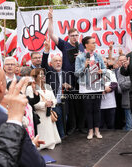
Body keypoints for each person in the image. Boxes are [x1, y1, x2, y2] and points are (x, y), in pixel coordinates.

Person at [48, 7, 87, 135]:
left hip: (80, 77)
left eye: (76, 35)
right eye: (72, 35)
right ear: (68, 36)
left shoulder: (81, 46)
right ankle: (72, 127)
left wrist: (82, 57)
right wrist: (50, 19)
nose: (75, 37)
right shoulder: (64, 44)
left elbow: (88, 59)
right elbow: (51, 35)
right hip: (68, 77)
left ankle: (81, 126)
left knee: (81, 103)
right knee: (70, 103)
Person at [75, 36, 106, 140]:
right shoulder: (80, 57)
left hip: (97, 86)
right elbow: (76, 73)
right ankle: (90, 130)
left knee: (97, 109)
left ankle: (97, 130)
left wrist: (102, 71)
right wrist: (84, 66)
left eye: (95, 42)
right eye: (92, 43)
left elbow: (105, 69)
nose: (94, 44)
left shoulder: (98, 56)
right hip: (86, 87)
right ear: (86, 45)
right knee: (88, 110)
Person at [41, 37, 71, 138]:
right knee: (58, 121)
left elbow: (71, 88)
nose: (58, 62)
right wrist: (46, 51)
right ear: (51, 63)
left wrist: (69, 86)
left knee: (65, 120)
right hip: (54, 104)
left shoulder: (66, 73)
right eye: (56, 61)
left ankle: (61, 136)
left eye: (60, 61)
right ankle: (61, 137)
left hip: (64, 103)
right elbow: (43, 63)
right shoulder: (50, 72)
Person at [31, 68, 61, 150]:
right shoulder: (31, 88)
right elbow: (32, 103)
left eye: (43, 74)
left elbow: (54, 99)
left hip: (48, 114)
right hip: (40, 115)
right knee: (43, 134)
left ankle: (51, 142)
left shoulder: (48, 86)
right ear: (35, 76)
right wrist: (44, 104)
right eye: (40, 74)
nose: (43, 76)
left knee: (51, 136)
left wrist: (51, 102)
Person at [117, 54, 132, 131]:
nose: (123, 62)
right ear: (118, 62)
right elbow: (122, 85)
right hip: (126, 100)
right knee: (129, 124)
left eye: (124, 60)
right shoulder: (120, 71)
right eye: (121, 60)